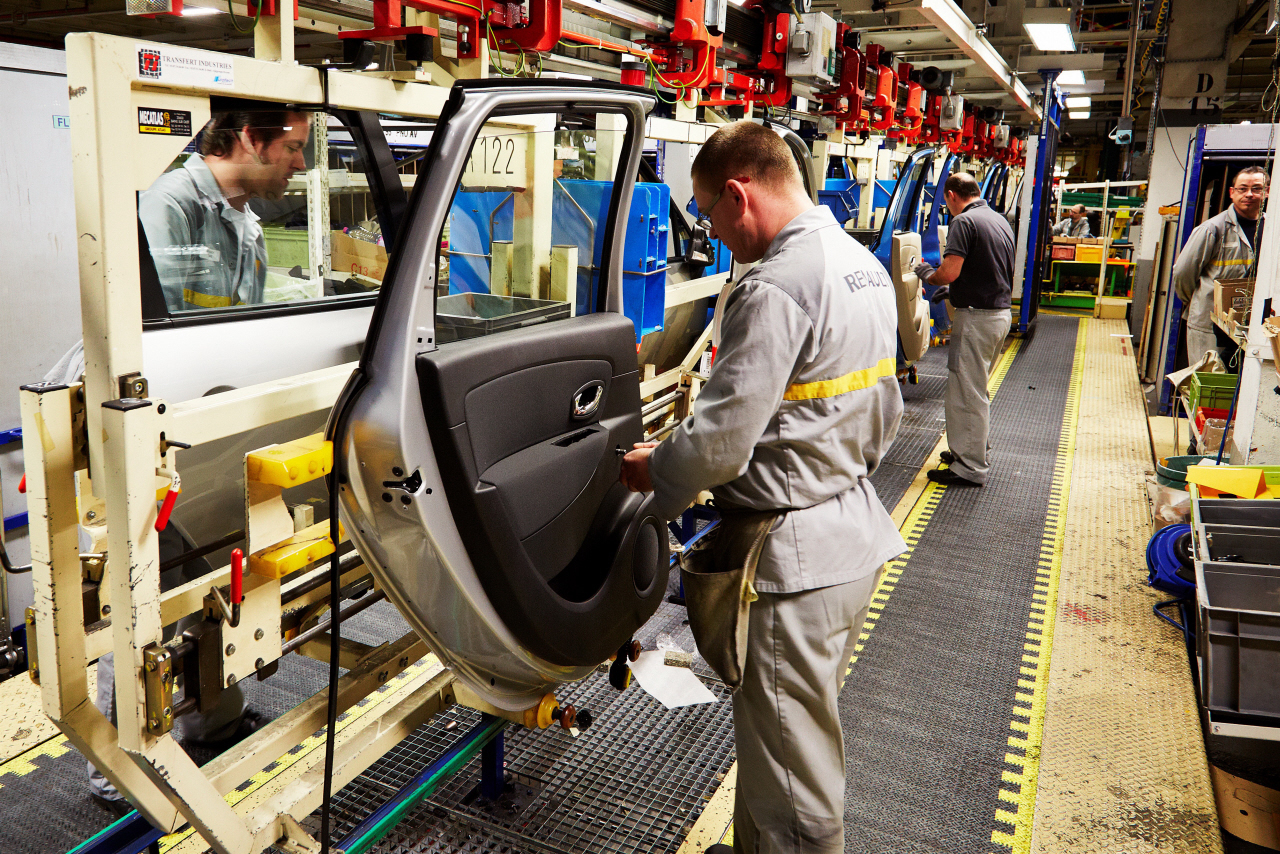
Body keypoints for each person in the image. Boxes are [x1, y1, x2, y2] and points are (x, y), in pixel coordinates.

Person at [618, 121, 907, 854]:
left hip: (793, 560)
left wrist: (655, 477)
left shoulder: (776, 284)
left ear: (739, 195)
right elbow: (861, 405)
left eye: (709, 214)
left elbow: (718, 445)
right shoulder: (856, 261)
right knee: (782, 739)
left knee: (792, 776)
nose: (712, 232)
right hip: (847, 523)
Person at [140, 109, 310, 311]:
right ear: (252, 140)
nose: (301, 164)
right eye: (292, 147)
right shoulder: (170, 205)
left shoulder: (252, 235)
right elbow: (154, 329)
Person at [913, 172, 1015, 487]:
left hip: (976, 318)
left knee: (964, 393)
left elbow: (948, 272)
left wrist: (926, 273)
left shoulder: (963, 223)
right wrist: (956, 290)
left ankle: (970, 467)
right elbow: (987, 268)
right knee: (976, 389)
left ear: (952, 195)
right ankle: (970, 449)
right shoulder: (998, 220)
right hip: (999, 314)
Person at [1174, 165, 1268, 365]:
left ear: (1267, 192)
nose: (1249, 194)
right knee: (1208, 382)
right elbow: (1183, 274)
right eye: (1242, 189)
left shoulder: (1271, 230)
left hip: (1249, 325)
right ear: (1232, 193)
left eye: (1257, 188)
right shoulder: (1212, 229)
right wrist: (1200, 302)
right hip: (1208, 324)